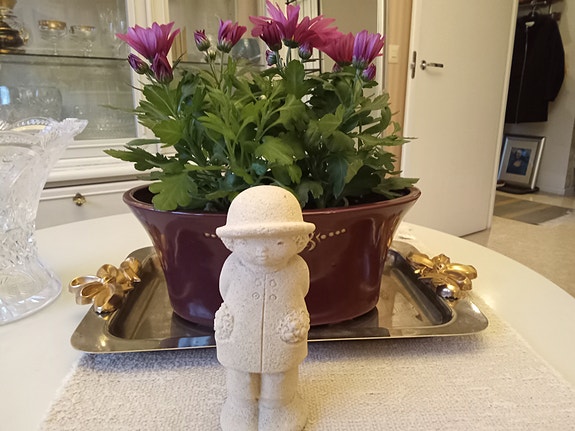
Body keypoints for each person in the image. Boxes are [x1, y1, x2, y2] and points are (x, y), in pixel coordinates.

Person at [215, 185, 315, 431]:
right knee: (240, 373)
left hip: (283, 335)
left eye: (278, 242)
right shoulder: (232, 266)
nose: (262, 252)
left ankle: (279, 407)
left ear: (297, 240)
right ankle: (241, 406)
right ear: (233, 241)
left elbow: (301, 290)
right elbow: (225, 290)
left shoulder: (297, 268)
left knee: (280, 374)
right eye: (248, 243)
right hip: (240, 332)